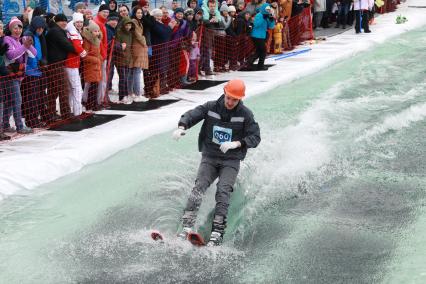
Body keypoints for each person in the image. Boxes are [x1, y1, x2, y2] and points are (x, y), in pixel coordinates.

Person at [172, 79, 261, 246]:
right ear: (224, 92)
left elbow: (255, 137)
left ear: (240, 99)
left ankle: (217, 232)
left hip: (231, 159)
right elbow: (193, 114)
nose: (230, 102)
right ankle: (186, 226)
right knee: (199, 186)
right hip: (210, 156)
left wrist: (237, 144)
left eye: (234, 99)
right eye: (228, 97)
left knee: (223, 190)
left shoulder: (245, 115)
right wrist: (182, 126)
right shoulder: (211, 107)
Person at [247, 3, 275, 70]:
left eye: (269, 9)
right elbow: (256, 24)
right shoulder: (259, 15)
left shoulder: (267, 15)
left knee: (259, 51)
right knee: (263, 50)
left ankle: (251, 63)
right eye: (267, 9)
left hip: (262, 36)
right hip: (256, 36)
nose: (268, 11)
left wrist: (271, 20)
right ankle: (259, 65)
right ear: (263, 9)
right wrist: (263, 17)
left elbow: (271, 27)